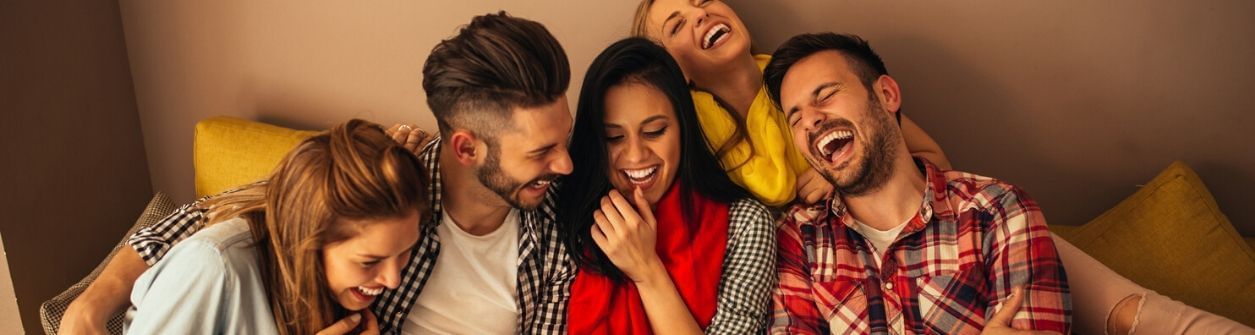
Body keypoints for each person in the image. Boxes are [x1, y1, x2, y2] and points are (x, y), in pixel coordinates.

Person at [61, 11, 577, 334]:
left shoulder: (554, 226)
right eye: (541, 152)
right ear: (466, 148)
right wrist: (90, 305)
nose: (565, 165)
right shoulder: (385, 183)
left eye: (565, 139)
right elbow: (218, 218)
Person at [764, 33, 1071, 334]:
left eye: (827, 95)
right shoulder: (798, 241)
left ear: (887, 95)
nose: (810, 121)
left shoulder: (996, 210)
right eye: (795, 118)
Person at [631, 0, 951, 207]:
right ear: (675, 70)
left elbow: (936, 159)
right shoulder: (684, 139)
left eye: (703, 1)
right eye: (677, 25)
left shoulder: (811, 83)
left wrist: (843, 171)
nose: (700, 14)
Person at [557, 38, 775, 334]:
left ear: (683, 127)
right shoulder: (566, 218)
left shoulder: (746, 224)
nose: (635, 155)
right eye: (613, 137)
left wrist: (647, 271)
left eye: (654, 131)